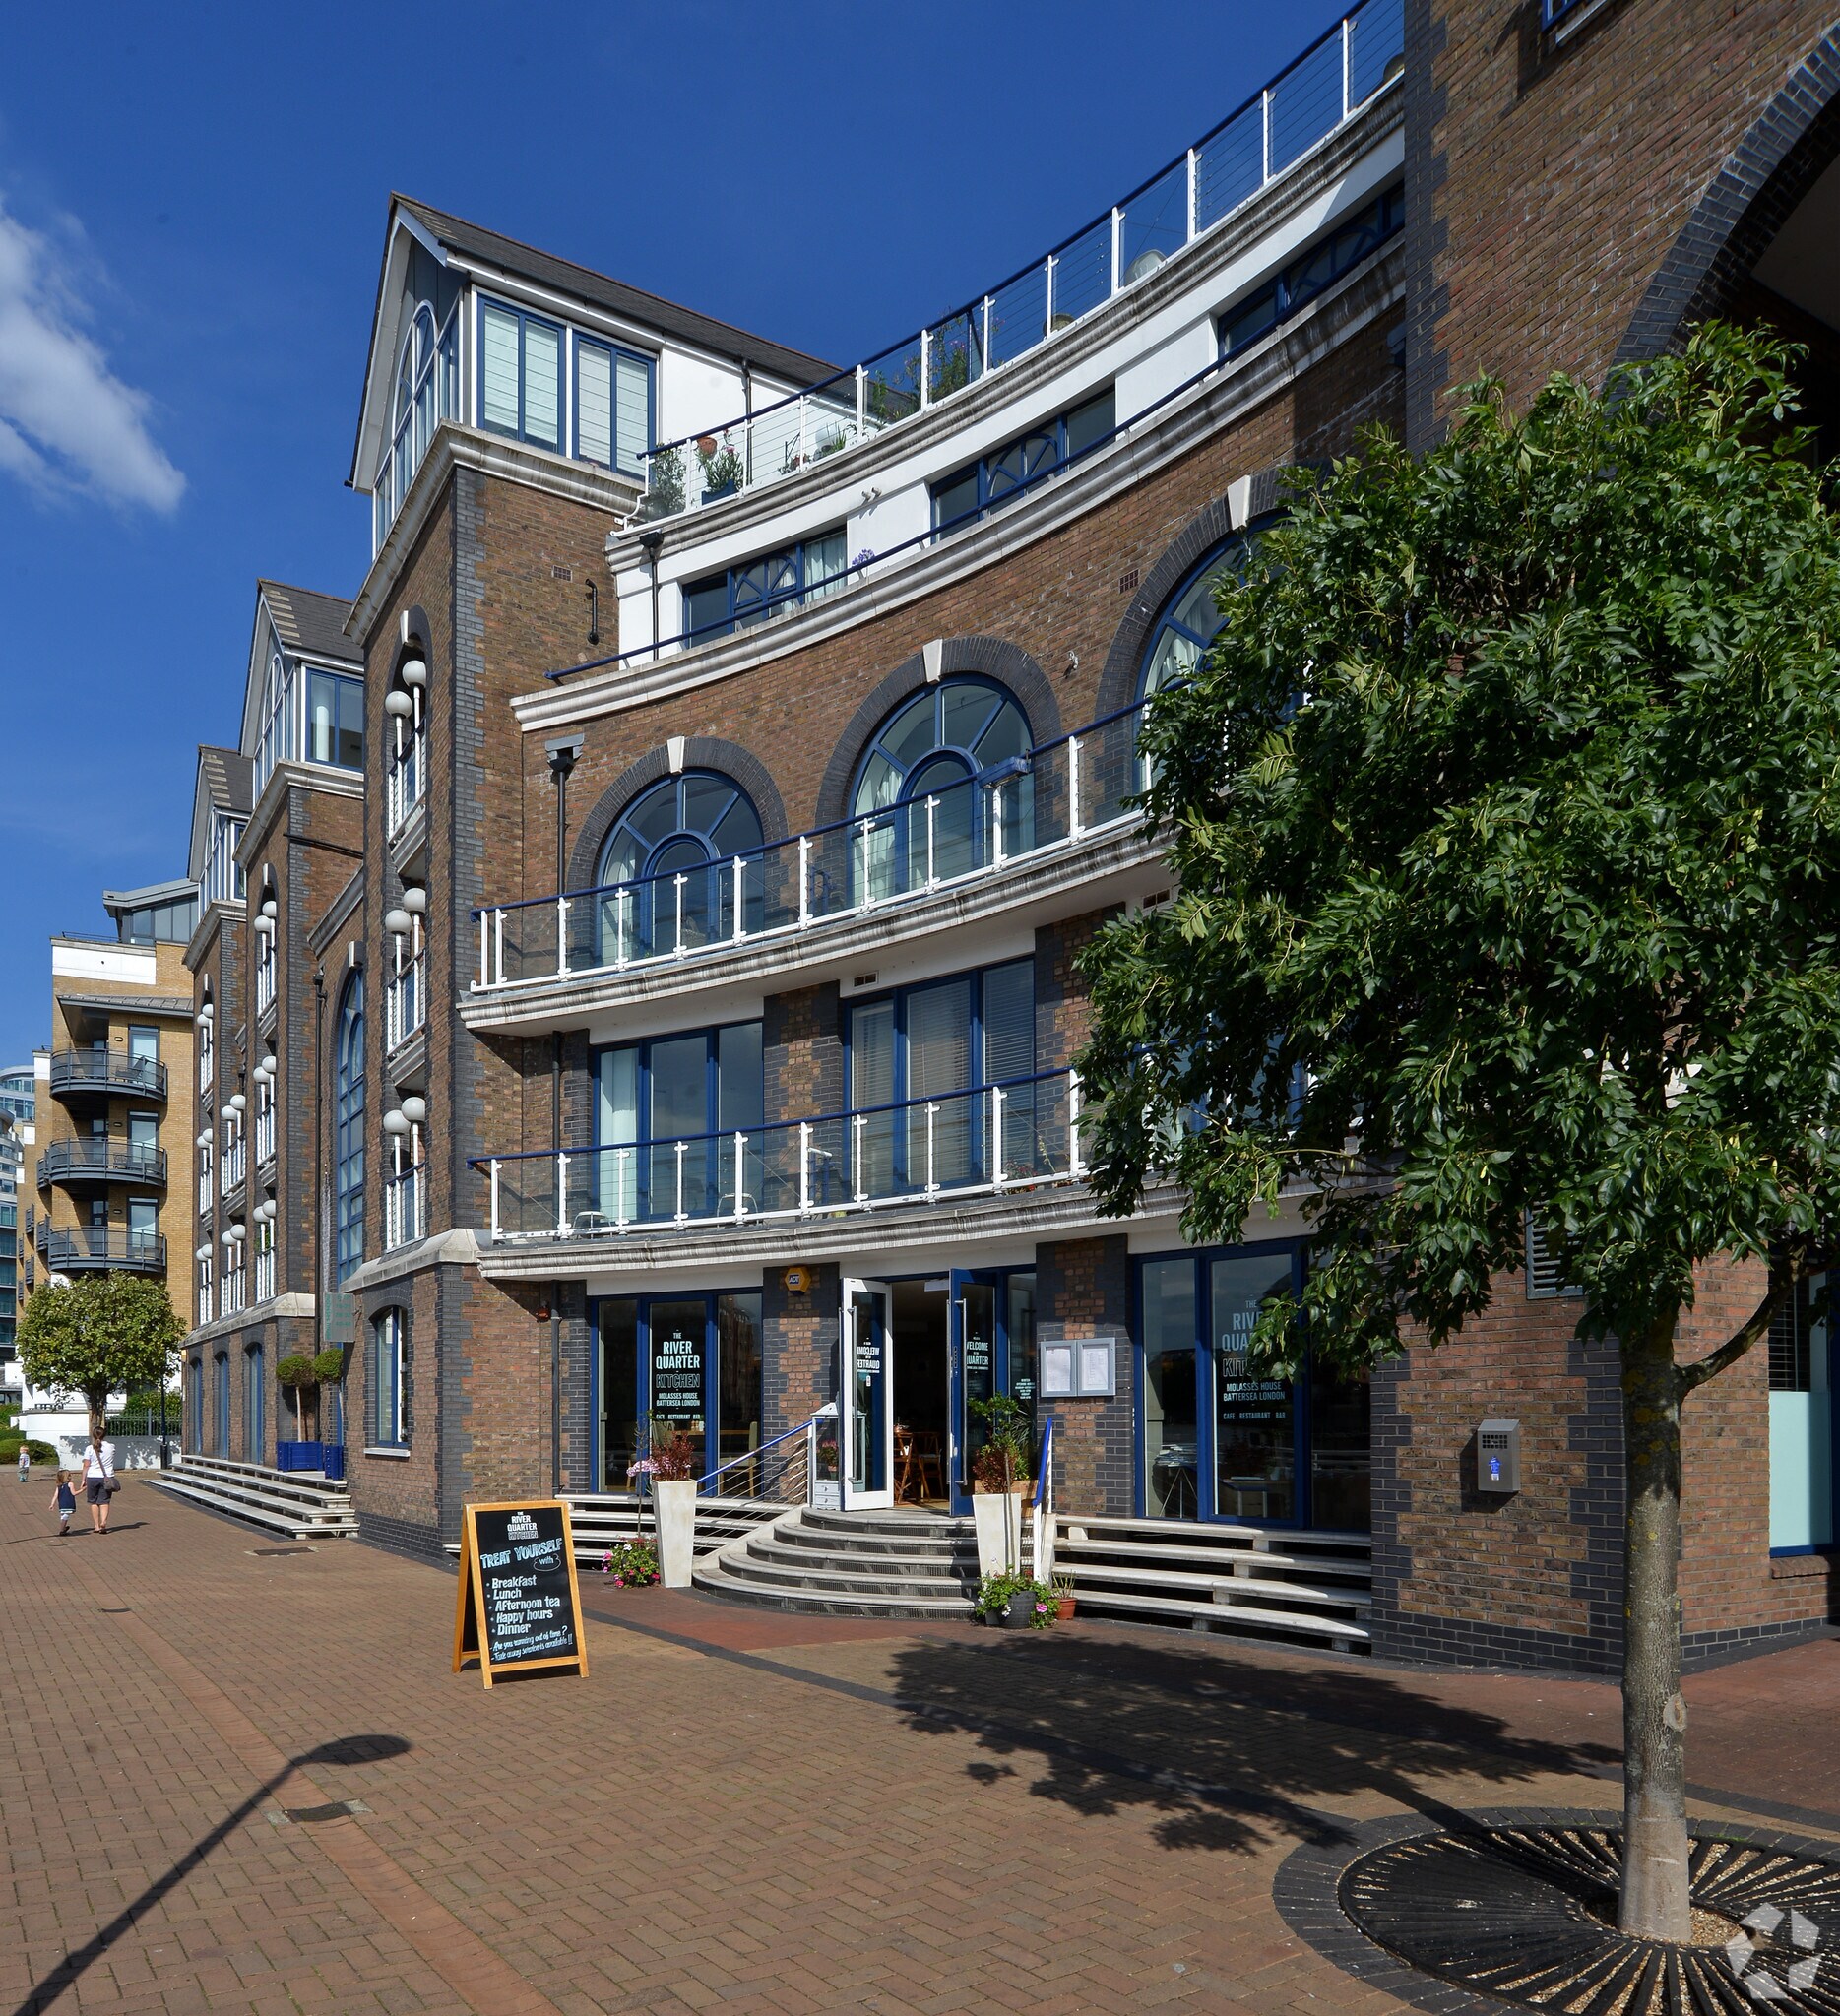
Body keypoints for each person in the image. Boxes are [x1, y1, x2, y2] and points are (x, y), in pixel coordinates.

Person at [80, 1431, 116, 1534]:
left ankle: (96, 1525)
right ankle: (104, 1522)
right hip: (107, 1477)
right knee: (105, 1501)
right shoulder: (111, 1447)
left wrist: (83, 1479)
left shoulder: (89, 1448)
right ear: (105, 1435)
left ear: (93, 1435)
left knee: (93, 1501)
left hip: (92, 1476)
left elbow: (86, 1465)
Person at [49, 1471, 74, 1537]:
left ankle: (63, 1527)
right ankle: (62, 1529)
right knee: (65, 1516)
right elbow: (74, 1493)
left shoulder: (59, 1486)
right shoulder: (70, 1484)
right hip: (68, 1503)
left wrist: (52, 1504)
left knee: (63, 1515)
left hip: (61, 1503)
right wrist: (82, 1490)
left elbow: (55, 1495)